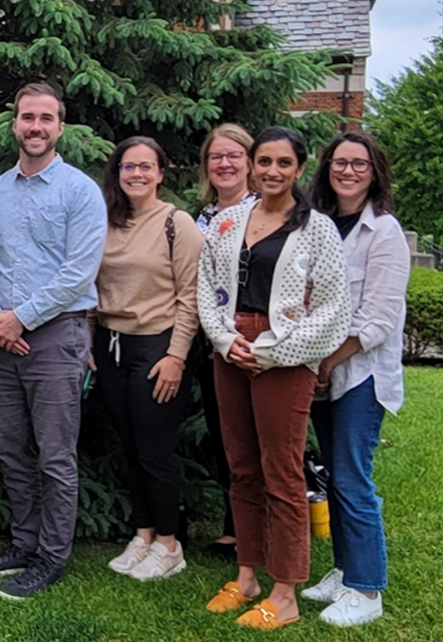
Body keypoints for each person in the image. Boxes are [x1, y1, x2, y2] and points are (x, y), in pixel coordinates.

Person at [199, 126, 350, 630]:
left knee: (281, 471)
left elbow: (332, 308)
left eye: (284, 163)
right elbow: (206, 288)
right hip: (231, 349)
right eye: (264, 161)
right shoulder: (228, 221)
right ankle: (247, 576)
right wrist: (225, 340)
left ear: (299, 169)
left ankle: (285, 592)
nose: (272, 171)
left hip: (283, 355)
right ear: (252, 165)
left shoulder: (317, 229)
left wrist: (271, 351)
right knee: (242, 466)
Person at [0, 82, 107, 600]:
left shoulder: (80, 191)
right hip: (0, 338)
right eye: (27, 117)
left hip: (56, 336)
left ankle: (51, 557)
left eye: (46, 118)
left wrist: (21, 319)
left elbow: (78, 273)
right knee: (10, 449)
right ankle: (24, 543)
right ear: (14, 124)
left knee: (54, 456)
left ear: (60, 128)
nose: (36, 126)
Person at [301, 131, 409, 627]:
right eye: (339, 163)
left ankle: (367, 589)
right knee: (335, 474)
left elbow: (378, 319)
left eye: (358, 164)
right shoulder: (319, 226)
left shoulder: (383, 231)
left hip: (360, 374)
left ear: (374, 172)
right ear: (327, 169)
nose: (348, 171)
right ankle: (345, 571)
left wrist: (327, 363)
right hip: (320, 369)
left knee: (351, 478)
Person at [95, 136, 202, 581]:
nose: (136, 174)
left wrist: (177, 355)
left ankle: (169, 543)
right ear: (117, 172)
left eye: (145, 167)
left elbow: (191, 296)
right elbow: (90, 286)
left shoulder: (177, 224)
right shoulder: (105, 221)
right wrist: (88, 342)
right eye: (128, 166)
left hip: (157, 347)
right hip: (110, 345)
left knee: (155, 450)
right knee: (130, 446)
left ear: (160, 173)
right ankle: (143, 535)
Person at [193, 124, 259, 561]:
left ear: (250, 163)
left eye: (234, 155)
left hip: (253, 341)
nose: (225, 163)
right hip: (210, 341)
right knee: (226, 436)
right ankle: (236, 530)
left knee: (257, 438)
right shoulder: (202, 217)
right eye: (216, 156)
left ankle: (259, 531)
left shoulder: (264, 213)